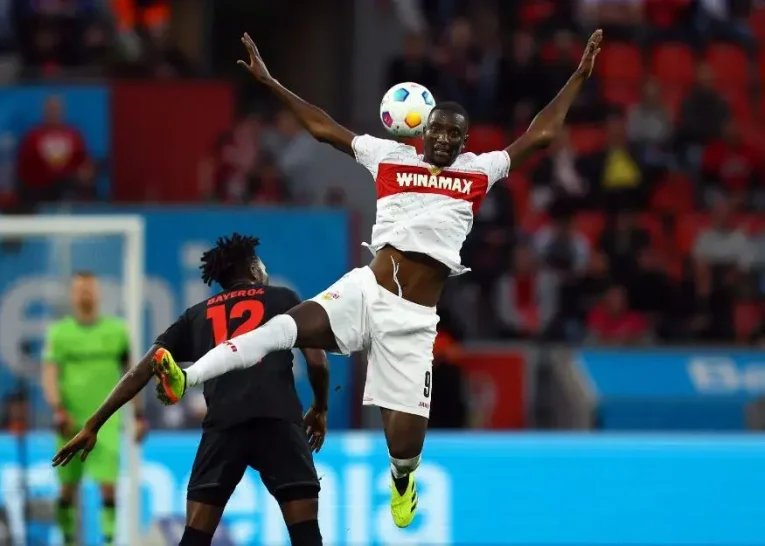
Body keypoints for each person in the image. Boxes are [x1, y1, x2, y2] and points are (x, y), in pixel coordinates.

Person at [153, 30, 604, 529]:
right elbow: (323, 128)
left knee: (404, 444)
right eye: (438, 130)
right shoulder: (390, 156)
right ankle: (186, 377)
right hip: (365, 290)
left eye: (455, 134)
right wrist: (271, 82)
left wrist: (579, 76)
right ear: (424, 130)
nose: (444, 139)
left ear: (464, 141)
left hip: (411, 321)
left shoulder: (479, 170)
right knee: (281, 327)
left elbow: (541, 134)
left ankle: (403, 479)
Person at [52, 234, 330, 546]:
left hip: (224, 428)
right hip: (277, 421)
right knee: (305, 535)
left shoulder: (196, 315)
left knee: (195, 537)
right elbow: (317, 363)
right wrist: (319, 408)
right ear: (253, 267)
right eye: (260, 263)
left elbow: (140, 371)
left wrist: (93, 424)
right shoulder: (284, 298)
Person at [42, 271, 146, 546]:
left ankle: (109, 540)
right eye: (80, 289)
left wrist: (139, 415)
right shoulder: (59, 333)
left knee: (108, 486)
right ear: (72, 295)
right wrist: (58, 409)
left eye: (89, 288)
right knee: (67, 488)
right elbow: (50, 374)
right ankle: (67, 539)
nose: (85, 293)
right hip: (70, 421)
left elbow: (132, 374)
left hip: (106, 422)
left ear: (98, 293)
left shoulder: (117, 331)